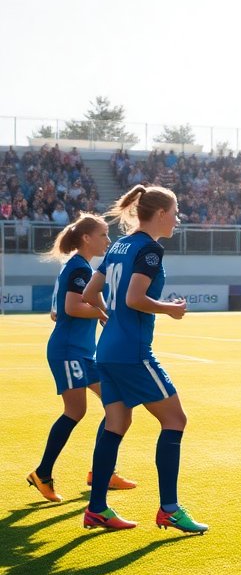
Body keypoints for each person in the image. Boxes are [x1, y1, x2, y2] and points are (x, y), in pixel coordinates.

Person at [80, 185, 207, 533]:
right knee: (175, 419)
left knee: (116, 423)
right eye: (175, 212)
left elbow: (90, 292)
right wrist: (170, 309)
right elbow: (135, 298)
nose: (178, 219)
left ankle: (97, 509)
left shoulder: (119, 245)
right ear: (161, 214)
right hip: (132, 353)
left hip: (107, 351)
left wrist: (110, 317)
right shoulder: (150, 249)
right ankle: (169, 509)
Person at [27, 214, 137, 502]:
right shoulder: (78, 267)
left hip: (83, 353)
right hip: (69, 351)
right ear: (86, 238)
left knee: (118, 404)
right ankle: (42, 473)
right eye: (103, 234)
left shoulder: (80, 266)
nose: (108, 240)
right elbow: (72, 307)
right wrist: (104, 314)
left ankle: (102, 472)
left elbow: (59, 310)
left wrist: (100, 312)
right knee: (76, 411)